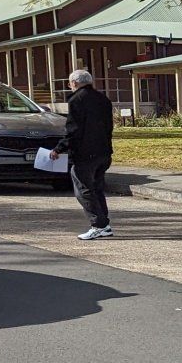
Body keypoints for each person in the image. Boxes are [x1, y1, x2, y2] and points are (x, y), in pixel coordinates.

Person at [53, 70, 115, 241]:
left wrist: (59, 149)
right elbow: (109, 127)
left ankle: (98, 225)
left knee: (84, 190)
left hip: (84, 153)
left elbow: (74, 130)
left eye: (69, 83)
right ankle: (104, 224)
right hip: (103, 151)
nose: (69, 86)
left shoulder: (76, 100)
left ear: (74, 82)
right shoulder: (103, 99)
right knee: (97, 189)